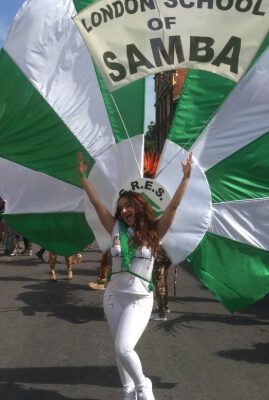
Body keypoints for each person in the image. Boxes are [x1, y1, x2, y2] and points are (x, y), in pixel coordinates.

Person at [77, 152, 192, 400]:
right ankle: (128, 391)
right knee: (119, 350)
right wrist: (83, 178)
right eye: (121, 208)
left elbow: (173, 206)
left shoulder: (155, 231)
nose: (124, 210)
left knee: (124, 347)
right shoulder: (115, 228)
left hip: (139, 298)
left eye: (128, 205)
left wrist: (185, 178)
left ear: (138, 206)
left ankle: (143, 386)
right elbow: (97, 203)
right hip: (113, 297)